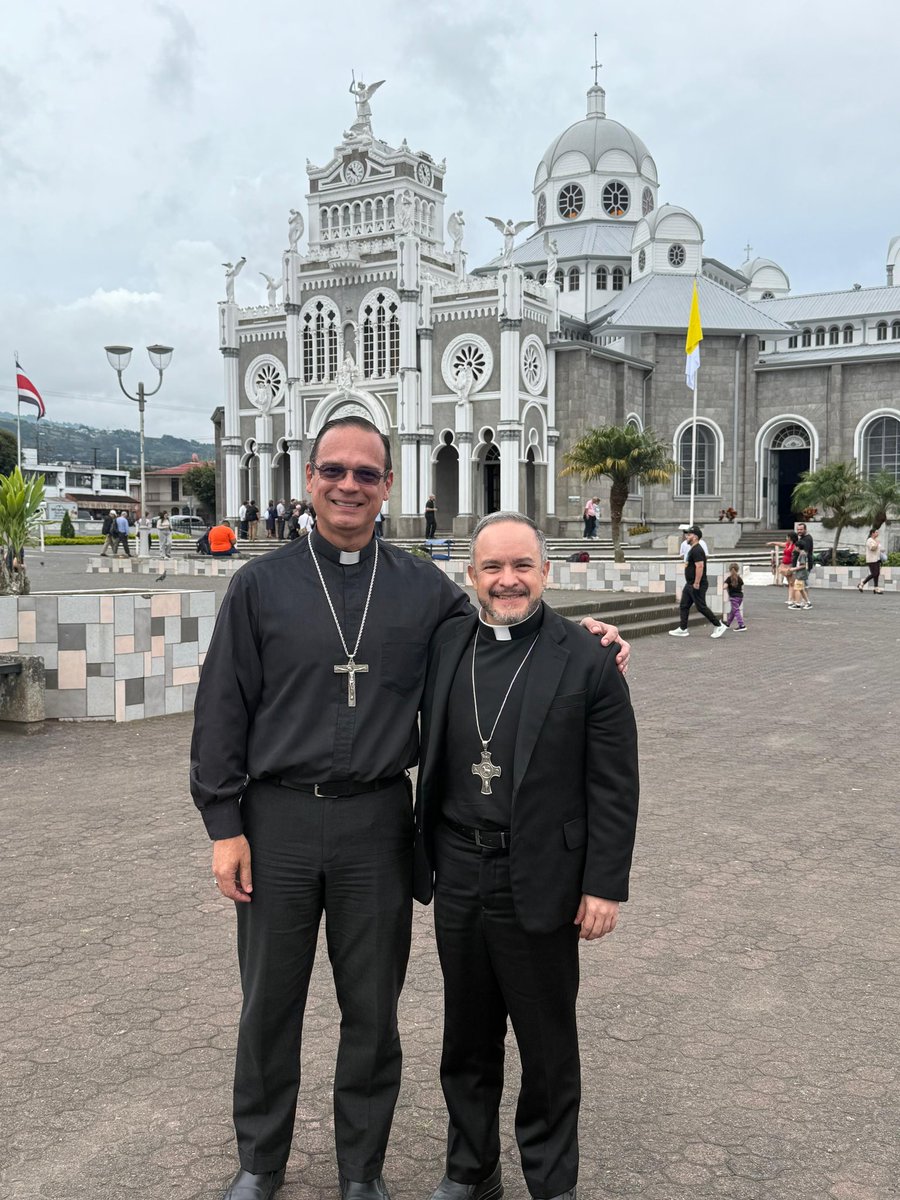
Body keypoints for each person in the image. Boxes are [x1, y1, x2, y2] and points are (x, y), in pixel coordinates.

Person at [190, 416, 630, 1200]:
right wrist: (224, 825)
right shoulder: (259, 585)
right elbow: (222, 708)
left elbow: (511, 625)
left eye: (366, 473)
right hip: (277, 820)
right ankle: (260, 1162)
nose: (349, 485)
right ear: (310, 479)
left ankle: (362, 1171)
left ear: (389, 485)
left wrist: (587, 634)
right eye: (335, 470)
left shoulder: (426, 589)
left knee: (372, 1010)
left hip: (377, 826)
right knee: (268, 1004)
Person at [413, 512, 639, 1200]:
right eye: (491, 568)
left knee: (546, 1048)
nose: (507, 580)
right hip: (458, 872)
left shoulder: (587, 657)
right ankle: (471, 1170)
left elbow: (614, 784)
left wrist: (604, 885)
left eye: (521, 566)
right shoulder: (445, 643)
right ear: (471, 577)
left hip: (540, 876)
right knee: (467, 1039)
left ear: (546, 570)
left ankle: (550, 1180)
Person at [669, 525, 728, 638]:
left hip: (697, 584)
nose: (687, 536)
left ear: (695, 537)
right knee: (684, 605)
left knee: (701, 606)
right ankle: (683, 628)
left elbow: (700, 566)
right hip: (690, 583)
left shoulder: (697, 550)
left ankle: (719, 625)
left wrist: (696, 583)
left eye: (689, 535)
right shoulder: (693, 549)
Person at [859, 528, 884, 593]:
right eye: (876, 532)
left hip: (877, 559)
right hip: (871, 559)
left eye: (877, 532)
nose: (877, 533)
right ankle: (862, 583)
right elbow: (872, 548)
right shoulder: (869, 540)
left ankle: (876, 588)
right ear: (872, 533)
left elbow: (878, 548)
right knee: (874, 573)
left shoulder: (876, 540)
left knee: (877, 574)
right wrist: (877, 544)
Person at [722, 562, 746, 631]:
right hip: (740, 597)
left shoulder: (729, 579)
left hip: (733, 597)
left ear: (729, 570)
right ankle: (728, 624)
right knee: (733, 611)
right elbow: (742, 586)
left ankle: (741, 625)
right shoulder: (739, 578)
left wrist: (725, 586)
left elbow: (724, 587)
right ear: (738, 570)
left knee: (736, 610)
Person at [788, 545, 811, 610]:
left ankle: (797, 604)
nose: (795, 548)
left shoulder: (802, 554)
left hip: (801, 575)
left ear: (798, 547)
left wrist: (794, 569)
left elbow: (803, 565)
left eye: (795, 547)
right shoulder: (802, 554)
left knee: (797, 589)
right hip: (800, 574)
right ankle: (808, 603)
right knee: (801, 589)